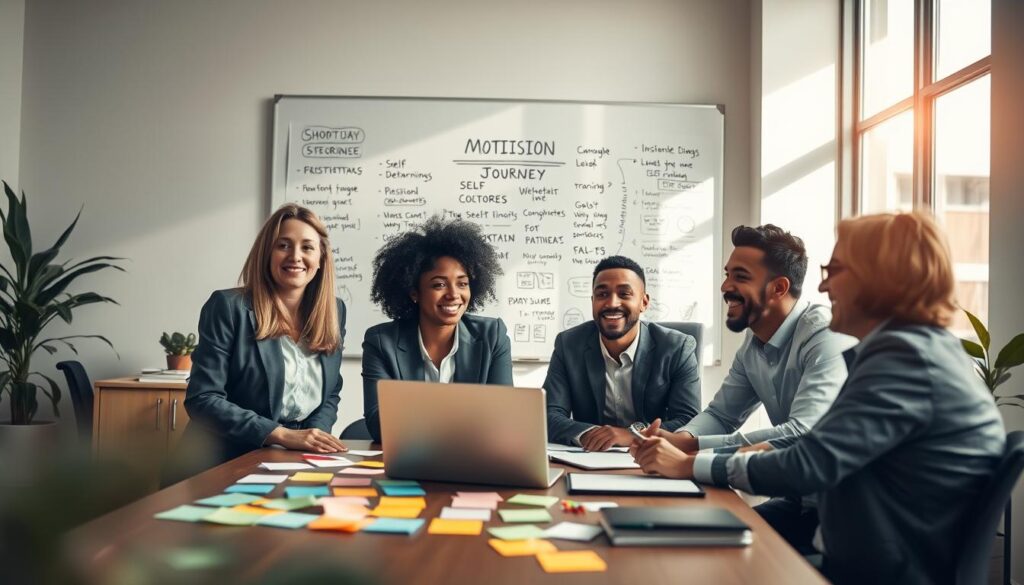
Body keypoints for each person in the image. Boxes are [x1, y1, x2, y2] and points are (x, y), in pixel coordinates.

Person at [632, 212, 1006, 585]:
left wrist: (689, 464)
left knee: (694, 561)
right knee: (696, 546)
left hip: (885, 566)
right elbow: (818, 449)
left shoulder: (905, 360)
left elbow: (809, 462)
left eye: (835, 271)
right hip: (870, 540)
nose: (824, 288)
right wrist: (710, 452)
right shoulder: (914, 350)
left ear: (880, 280)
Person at [638, 224, 854, 548]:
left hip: (838, 512)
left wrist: (689, 451)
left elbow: (802, 431)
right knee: (695, 537)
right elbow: (722, 414)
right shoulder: (754, 343)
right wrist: (682, 438)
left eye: (740, 276)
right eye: (727, 274)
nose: (725, 286)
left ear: (778, 288)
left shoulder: (823, 335)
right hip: (800, 501)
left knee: (720, 547)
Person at [184, 204, 348, 466]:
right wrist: (281, 435)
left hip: (295, 459)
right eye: (283, 245)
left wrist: (315, 437)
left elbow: (330, 393)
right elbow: (202, 399)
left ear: (321, 259)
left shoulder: (335, 310)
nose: (295, 256)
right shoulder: (228, 307)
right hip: (225, 458)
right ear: (266, 254)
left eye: (307, 247)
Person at [361, 215, 512, 442]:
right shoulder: (382, 341)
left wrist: (419, 417)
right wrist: (468, 417)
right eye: (439, 284)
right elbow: (379, 425)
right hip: (409, 460)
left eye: (462, 283)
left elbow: (502, 417)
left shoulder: (493, 336)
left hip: (475, 461)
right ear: (414, 292)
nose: (453, 294)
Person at [544, 255, 701, 450]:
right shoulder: (568, 344)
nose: (612, 303)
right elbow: (549, 415)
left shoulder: (677, 347)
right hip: (590, 457)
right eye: (602, 295)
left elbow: (690, 421)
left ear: (644, 302)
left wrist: (632, 435)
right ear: (592, 301)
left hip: (654, 457)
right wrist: (590, 434)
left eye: (624, 294)